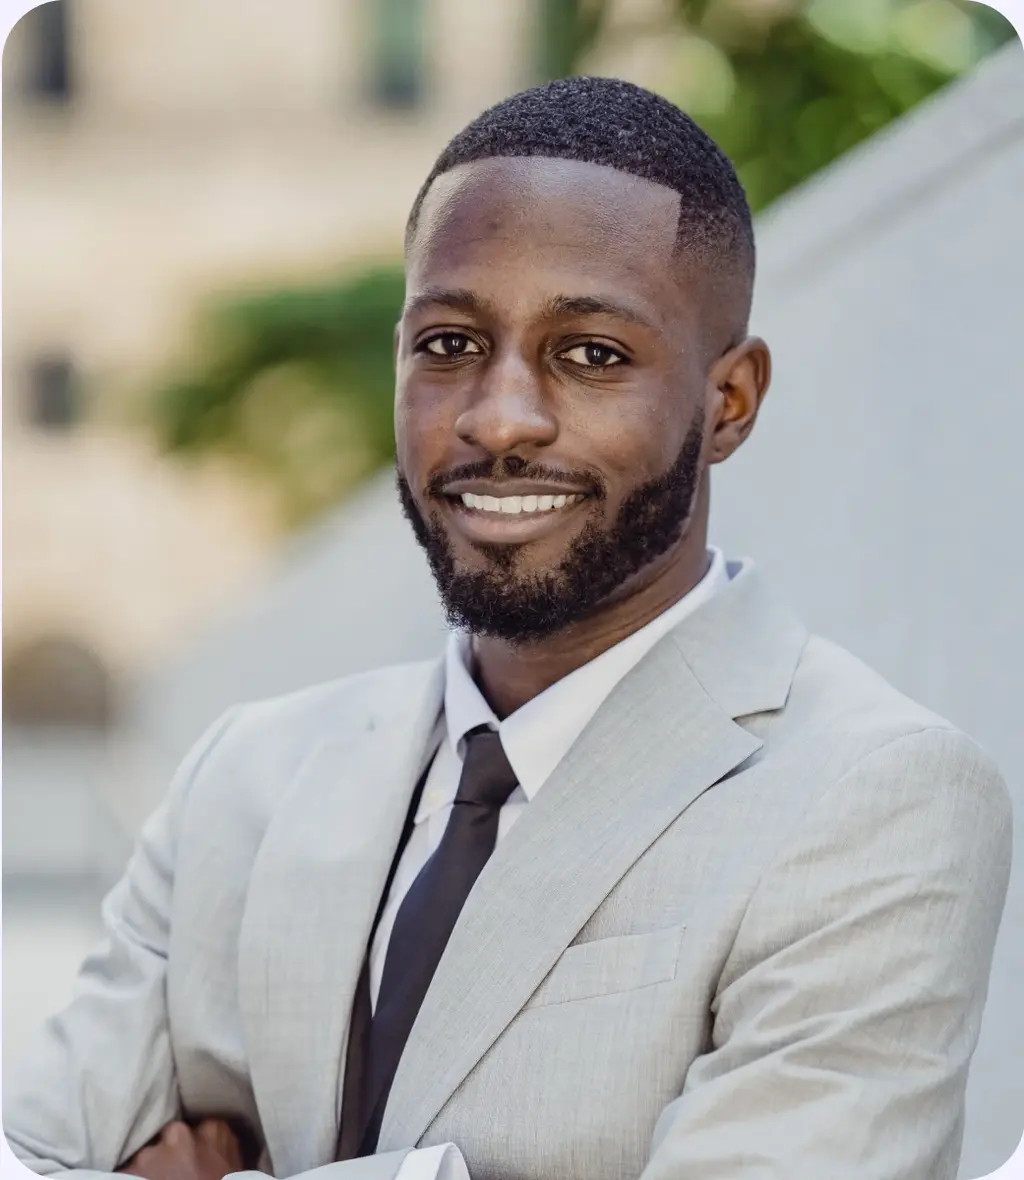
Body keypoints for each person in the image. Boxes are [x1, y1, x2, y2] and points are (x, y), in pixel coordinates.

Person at [3, 77, 1012, 1180]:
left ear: (729, 402)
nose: (497, 418)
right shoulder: (243, 777)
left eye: (592, 354)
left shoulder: (877, 796)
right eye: (448, 344)